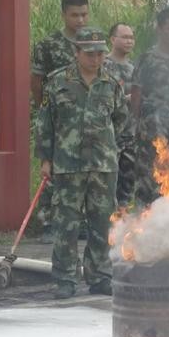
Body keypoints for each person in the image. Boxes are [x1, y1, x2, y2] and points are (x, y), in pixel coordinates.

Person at [36, 27, 132, 299]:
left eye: (100, 53)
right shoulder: (57, 82)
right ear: (76, 52)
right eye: (90, 53)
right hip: (67, 164)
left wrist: (110, 148)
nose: (96, 58)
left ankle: (100, 275)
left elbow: (120, 120)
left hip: (103, 166)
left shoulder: (111, 83)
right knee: (66, 224)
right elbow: (45, 123)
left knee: (102, 223)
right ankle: (65, 279)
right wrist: (45, 159)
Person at [31, 0, 90, 244]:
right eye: (75, 15)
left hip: (86, 116)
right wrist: (44, 105)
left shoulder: (91, 43)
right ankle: (47, 221)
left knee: (85, 169)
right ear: (64, 14)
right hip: (57, 114)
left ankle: (81, 221)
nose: (80, 20)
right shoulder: (49, 44)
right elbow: (36, 80)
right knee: (52, 167)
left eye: (84, 14)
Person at [131, 7, 169, 206]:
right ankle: (142, 220)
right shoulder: (147, 59)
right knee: (147, 174)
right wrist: (135, 123)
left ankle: (168, 221)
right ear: (159, 29)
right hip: (150, 128)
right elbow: (137, 92)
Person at [104, 23, 136, 207]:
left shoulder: (133, 68)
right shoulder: (104, 66)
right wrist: (127, 98)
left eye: (131, 37)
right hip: (110, 134)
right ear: (112, 39)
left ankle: (122, 222)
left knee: (127, 181)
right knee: (108, 181)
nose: (129, 41)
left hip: (130, 133)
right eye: (124, 37)